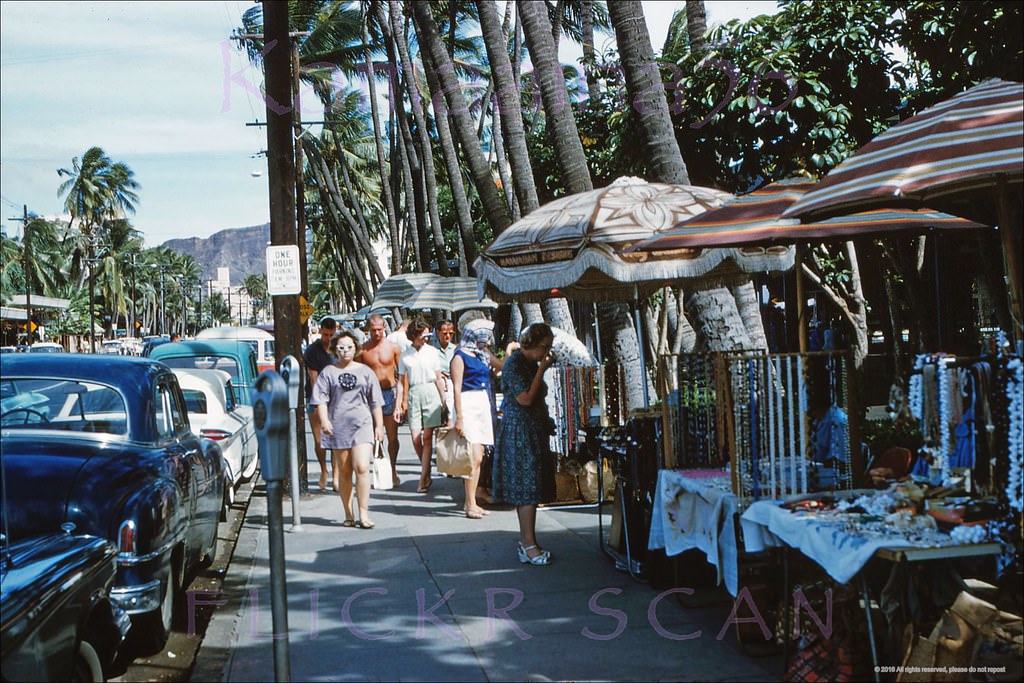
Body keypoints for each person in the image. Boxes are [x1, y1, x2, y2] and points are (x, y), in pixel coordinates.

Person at [493, 323, 557, 565]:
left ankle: (528, 542)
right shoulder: (516, 364)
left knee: (530, 489)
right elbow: (526, 398)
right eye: (544, 347)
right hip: (519, 431)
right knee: (526, 489)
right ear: (532, 344)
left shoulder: (528, 363)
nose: (547, 352)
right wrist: (542, 370)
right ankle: (528, 545)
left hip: (530, 429)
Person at [314, 329, 384, 529]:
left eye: (350, 347)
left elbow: (375, 401)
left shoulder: (366, 372)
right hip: (338, 426)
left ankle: (364, 513)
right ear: (335, 349)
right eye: (341, 348)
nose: (346, 351)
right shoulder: (328, 372)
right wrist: (324, 421)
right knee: (344, 471)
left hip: (362, 425)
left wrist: (379, 426)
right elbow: (321, 399)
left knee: (362, 467)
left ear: (356, 348)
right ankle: (348, 513)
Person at [450, 320, 505, 519]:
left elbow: (502, 367)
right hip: (468, 402)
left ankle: (471, 500)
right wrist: (459, 417)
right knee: (474, 456)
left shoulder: (482, 353)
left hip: (482, 402)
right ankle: (470, 502)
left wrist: (509, 350)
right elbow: (456, 387)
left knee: (480, 455)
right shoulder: (459, 356)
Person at [395, 318, 446, 493]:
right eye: (423, 335)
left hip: (431, 392)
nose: (426, 338)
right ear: (414, 336)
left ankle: (423, 477)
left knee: (426, 437)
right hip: (414, 394)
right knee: (415, 437)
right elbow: (401, 382)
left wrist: (444, 400)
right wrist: (398, 405)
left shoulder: (432, 352)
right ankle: (427, 469)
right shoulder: (405, 355)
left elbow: (438, 378)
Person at [356, 314, 402, 486]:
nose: (377, 333)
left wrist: (402, 401)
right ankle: (377, 471)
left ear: (384, 328)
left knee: (392, 436)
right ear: (368, 330)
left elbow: (402, 377)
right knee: (374, 436)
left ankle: (393, 469)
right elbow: (357, 375)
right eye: (373, 330)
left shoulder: (393, 348)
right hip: (369, 396)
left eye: (379, 330)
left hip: (389, 393)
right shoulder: (363, 350)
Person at [303, 316, 337, 490]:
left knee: (336, 439)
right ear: (320, 331)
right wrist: (320, 402)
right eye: (325, 334)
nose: (328, 339)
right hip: (316, 397)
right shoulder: (312, 351)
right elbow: (313, 378)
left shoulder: (340, 348)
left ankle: (336, 473)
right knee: (319, 440)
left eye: (331, 335)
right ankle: (324, 470)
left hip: (337, 399)